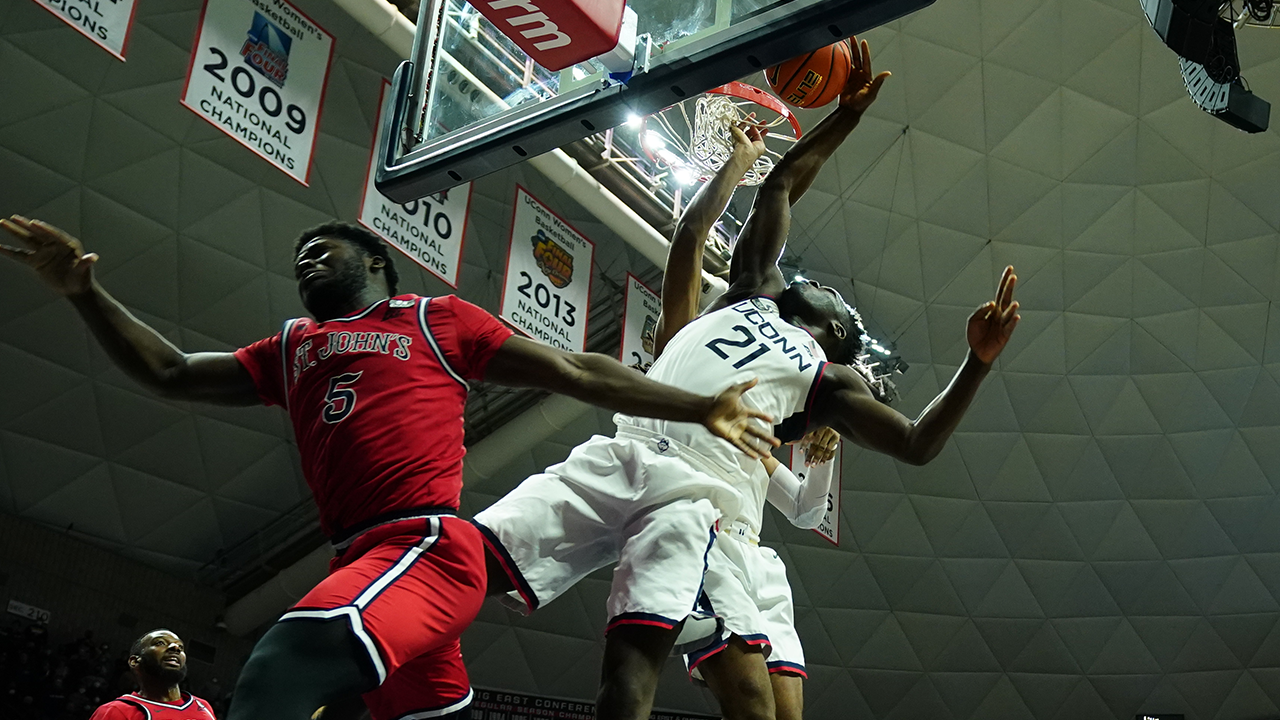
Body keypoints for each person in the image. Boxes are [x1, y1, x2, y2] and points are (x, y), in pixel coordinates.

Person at [0, 217, 778, 720]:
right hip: (369, 562)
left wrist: (695, 406)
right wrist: (85, 291)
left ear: (377, 261)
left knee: (280, 665)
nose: (306, 258)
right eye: (299, 255)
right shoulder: (291, 347)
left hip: (425, 548)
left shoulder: (434, 320)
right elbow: (170, 371)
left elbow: (574, 369)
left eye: (324, 247)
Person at [478, 34, 1019, 720]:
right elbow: (783, 183)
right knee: (485, 565)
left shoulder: (832, 382)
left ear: (842, 333)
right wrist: (840, 119)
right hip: (643, 450)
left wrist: (977, 362)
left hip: (714, 503)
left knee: (744, 702)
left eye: (833, 296)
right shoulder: (752, 291)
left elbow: (915, 444)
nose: (819, 285)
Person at [650, 118, 838, 720]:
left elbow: (808, 510)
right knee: (753, 708)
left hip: (752, 553)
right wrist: (741, 162)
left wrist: (822, 457)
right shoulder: (681, 339)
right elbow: (691, 236)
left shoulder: (763, 410)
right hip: (693, 524)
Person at [89, 629, 217, 720]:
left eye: (180, 647)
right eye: (160, 643)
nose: (175, 647)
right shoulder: (116, 712)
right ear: (134, 661)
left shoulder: (202, 706)